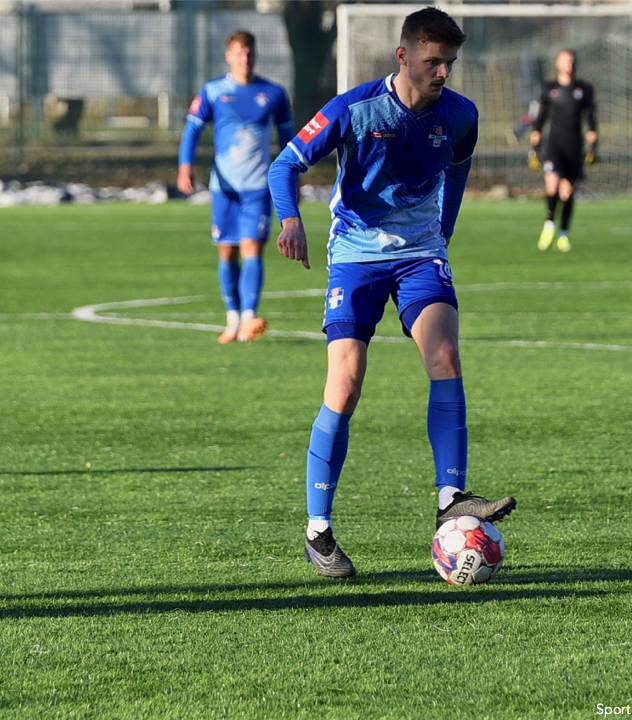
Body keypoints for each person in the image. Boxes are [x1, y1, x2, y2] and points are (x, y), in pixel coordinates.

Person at [267, 7, 517, 579]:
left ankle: (450, 500)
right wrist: (290, 221)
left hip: (420, 252)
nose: (443, 74)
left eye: (450, 63)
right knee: (346, 383)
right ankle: (318, 529)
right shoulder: (355, 108)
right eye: (433, 62)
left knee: (444, 355)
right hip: (355, 254)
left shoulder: (460, 114)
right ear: (403, 56)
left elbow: (458, 167)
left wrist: (443, 232)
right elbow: (285, 166)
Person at [179, 30, 292, 344]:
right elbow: (192, 131)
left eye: (250, 52)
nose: (245, 58)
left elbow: (288, 140)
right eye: (239, 53)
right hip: (224, 188)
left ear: (256, 55)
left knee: (252, 248)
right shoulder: (214, 91)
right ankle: (231, 319)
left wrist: (290, 174)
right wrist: (185, 166)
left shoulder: (274, 93)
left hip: (258, 186)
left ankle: (247, 320)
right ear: (229, 56)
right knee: (227, 251)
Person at [530, 49, 598, 252]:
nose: (569, 64)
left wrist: (593, 145)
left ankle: (563, 234)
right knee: (552, 186)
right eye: (565, 61)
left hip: (574, 147)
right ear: (558, 64)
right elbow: (540, 121)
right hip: (554, 146)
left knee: (567, 193)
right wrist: (534, 148)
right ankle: (549, 224)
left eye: (572, 61)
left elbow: (592, 120)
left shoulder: (584, 90)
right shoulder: (550, 89)